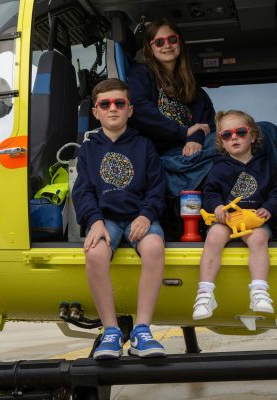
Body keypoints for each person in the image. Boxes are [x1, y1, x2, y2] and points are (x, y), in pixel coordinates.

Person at [72, 78, 167, 359]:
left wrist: (147, 215)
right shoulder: (88, 150)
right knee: (95, 253)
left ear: (130, 110)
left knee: (153, 248)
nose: (112, 108)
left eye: (119, 103)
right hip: (106, 219)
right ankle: (111, 330)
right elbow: (83, 191)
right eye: (105, 104)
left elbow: (157, 188)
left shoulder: (144, 146)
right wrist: (95, 221)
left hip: (140, 217)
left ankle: (142, 331)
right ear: (96, 111)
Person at [192, 110, 277, 320]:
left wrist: (270, 208)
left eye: (240, 132)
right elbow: (210, 193)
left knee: (259, 238)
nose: (234, 137)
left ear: (253, 135)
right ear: (221, 141)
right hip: (227, 219)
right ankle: (205, 293)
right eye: (227, 135)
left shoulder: (267, 166)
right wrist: (217, 207)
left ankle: (259, 290)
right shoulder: (218, 168)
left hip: (254, 219)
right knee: (214, 237)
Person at [127, 19, 218, 197]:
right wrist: (184, 133)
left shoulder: (190, 84)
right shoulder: (142, 75)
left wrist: (196, 138)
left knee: (253, 133)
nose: (167, 45)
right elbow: (140, 110)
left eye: (172, 39)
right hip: (161, 153)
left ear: (180, 42)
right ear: (150, 48)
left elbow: (207, 122)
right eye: (159, 42)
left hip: (191, 148)